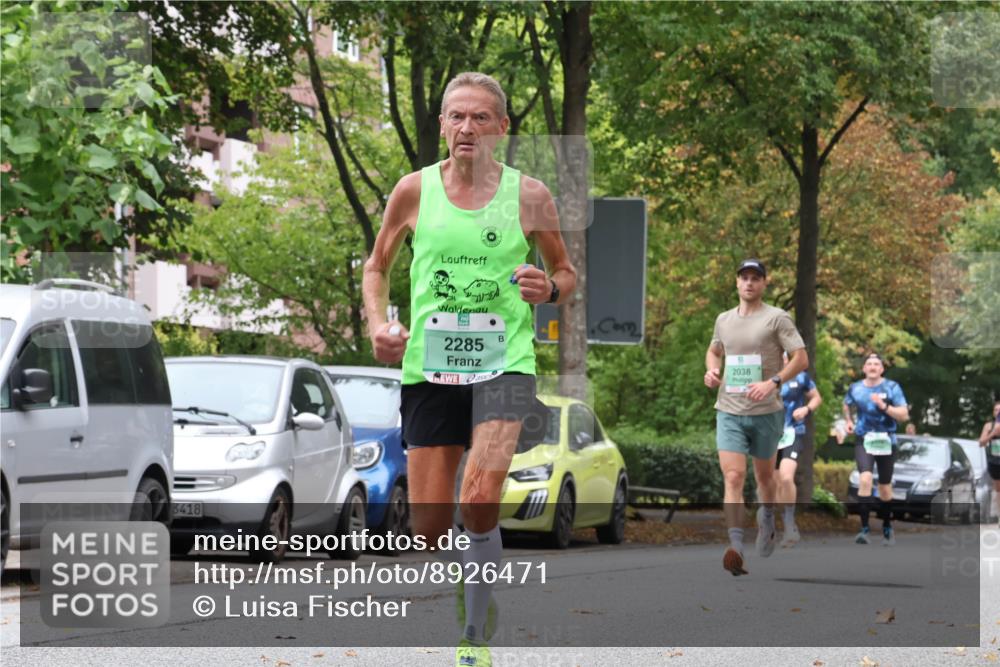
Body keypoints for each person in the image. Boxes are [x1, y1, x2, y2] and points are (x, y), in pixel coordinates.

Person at [363, 72, 576, 667]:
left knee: (481, 496)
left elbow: (565, 272)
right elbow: (377, 265)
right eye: (457, 116)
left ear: (502, 129)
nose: (467, 127)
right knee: (429, 529)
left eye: (481, 118)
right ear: (442, 125)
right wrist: (379, 324)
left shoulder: (528, 195)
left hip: (504, 362)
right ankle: (474, 576)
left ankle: (475, 631)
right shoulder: (412, 191)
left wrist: (547, 288)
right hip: (428, 366)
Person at [704, 258, 808, 576]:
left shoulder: (777, 319)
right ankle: (735, 546)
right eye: (744, 277)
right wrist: (711, 369)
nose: (749, 283)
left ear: (764, 283)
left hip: (766, 412)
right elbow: (715, 350)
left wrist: (773, 382)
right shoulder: (723, 320)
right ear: (737, 282)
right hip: (730, 410)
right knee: (733, 477)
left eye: (755, 278)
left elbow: (801, 359)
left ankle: (767, 516)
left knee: (765, 478)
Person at [842, 352, 909, 546]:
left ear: (881, 369)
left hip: (886, 440)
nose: (872, 367)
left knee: (885, 487)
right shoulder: (855, 388)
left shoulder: (891, 387)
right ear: (864, 368)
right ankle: (864, 529)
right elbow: (847, 405)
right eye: (869, 364)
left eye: (876, 364)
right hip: (864, 438)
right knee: (865, 479)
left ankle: (887, 527)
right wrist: (848, 421)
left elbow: (903, 414)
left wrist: (884, 406)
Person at [776, 351, 822, 547]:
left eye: (783, 356)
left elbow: (816, 398)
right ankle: (781, 524)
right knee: (775, 484)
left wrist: (806, 409)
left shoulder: (800, 377)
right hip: (769, 435)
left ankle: (789, 523)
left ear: (788, 359)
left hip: (792, 432)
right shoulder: (763, 377)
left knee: (787, 477)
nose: (781, 359)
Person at [978, 399, 1000, 525]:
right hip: (995, 461)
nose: (998, 412)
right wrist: (993, 433)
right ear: (993, 412)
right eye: (996, 410)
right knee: (998, 489)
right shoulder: (988, 426)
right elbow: (981, 443)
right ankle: (997, 515)